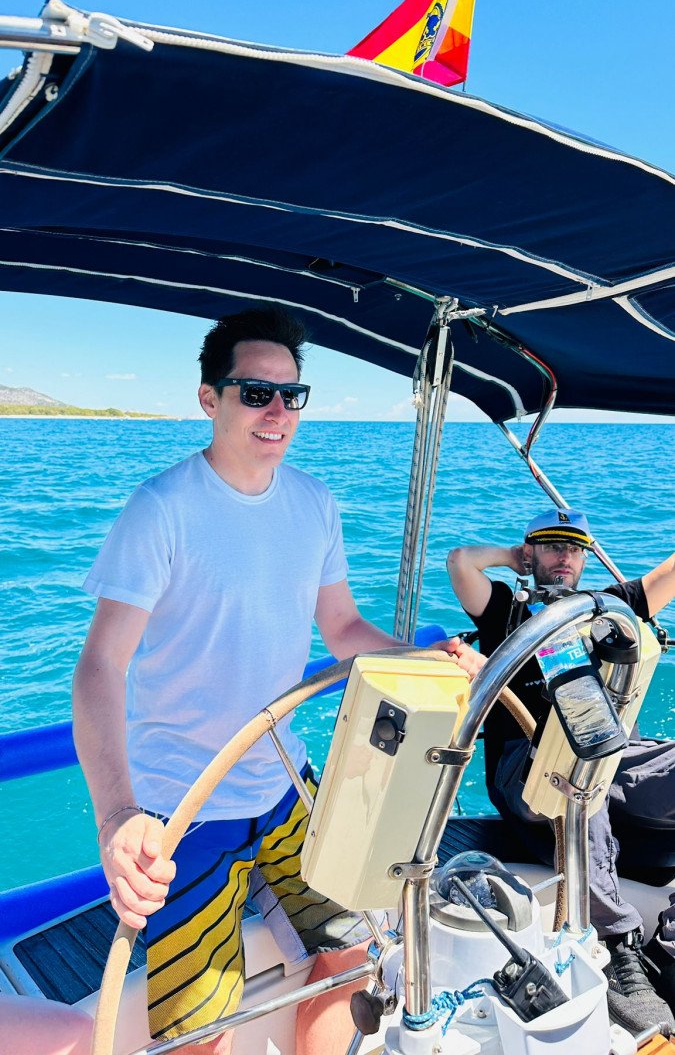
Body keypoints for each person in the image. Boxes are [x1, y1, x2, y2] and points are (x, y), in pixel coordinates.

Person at [73, 305, 459, 1055]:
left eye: (291, 395)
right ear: (209, 400)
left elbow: (343, 630)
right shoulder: (160, 510)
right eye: (254, 392)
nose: (277, 411)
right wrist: (118, 816)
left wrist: (428, 660)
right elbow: (99, 666)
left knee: (352, 958)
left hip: (284, 783)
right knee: (200, 1030)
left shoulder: (313, 503)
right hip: (184, 805)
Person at [447, 507, 675, 1037]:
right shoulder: (507, 609)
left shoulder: (607, 611)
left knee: (608, 762)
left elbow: (667, 578)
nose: (565, 556)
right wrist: (513, 559)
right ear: (533, 554)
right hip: (522, 764)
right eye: (551, 546)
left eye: (574, 548)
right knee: (580, 771)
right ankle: (618, 949)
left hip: (608, 753)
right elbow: (461, 563)